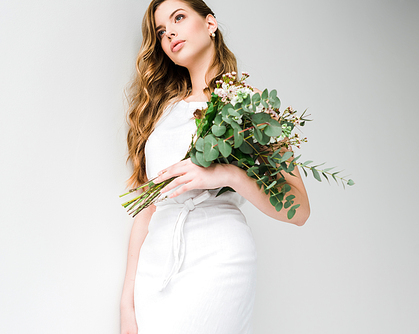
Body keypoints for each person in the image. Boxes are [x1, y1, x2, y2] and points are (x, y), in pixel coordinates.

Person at [120, 0, 310, 333]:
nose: (170, 34)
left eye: (178, 18)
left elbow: (299, 210)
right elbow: (146, 209)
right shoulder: (160, 112)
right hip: (157, 262)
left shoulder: (250, 106)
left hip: (218, 257)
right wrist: (128, 300)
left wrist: (226, 174)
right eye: (161, 31)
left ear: (210, 23)